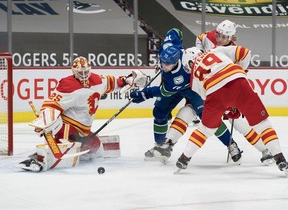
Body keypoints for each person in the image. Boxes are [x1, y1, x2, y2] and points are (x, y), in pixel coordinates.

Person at [18, 56, 147, 172]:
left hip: (84, 131)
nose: (84, 75)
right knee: (68, 152)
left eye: (86, 71)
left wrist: (128, 80)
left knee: (97, 150)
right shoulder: (67, 85)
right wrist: (45, 121)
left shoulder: (97, 80)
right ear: (74, 72)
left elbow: (112, 82)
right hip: (67, 127)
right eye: (80, 72)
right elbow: (51, 104)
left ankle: (75, 152)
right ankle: (40, 160)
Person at [175, 45, 288, 176]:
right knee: (263, 124)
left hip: (214, 90)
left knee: (205, 129)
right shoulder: (215, 50)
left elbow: (209, 98)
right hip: (238, 81)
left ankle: (184, 158)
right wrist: (242, 72)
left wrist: (228, 109)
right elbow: (245, 52)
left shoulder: (193, 79)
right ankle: (280, 158)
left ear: (189, 62)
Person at [130, 45, 242, 164]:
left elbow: (162, 91)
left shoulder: (176, 78)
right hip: (175, 87)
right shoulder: (178, 54)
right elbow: (176, 32)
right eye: (162, 62)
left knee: (208, 117)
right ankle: (160, 146)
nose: (163, 66)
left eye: (167, 64)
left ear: (175, 62)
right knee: (159, 111)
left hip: (192, 88)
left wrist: (144, 94)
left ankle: (231, 144)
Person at [196, 19, 274, 164]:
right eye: (218, 35)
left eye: (224, 37)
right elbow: (200, 39)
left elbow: (239, 74)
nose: (220, 39)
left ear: (231, 38)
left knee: (240, 125)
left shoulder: (234, 51)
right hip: (208, 89)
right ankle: (231, 145)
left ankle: (264, 150)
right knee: (205, 122)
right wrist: (200, 52)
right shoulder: (209, 37)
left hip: (225, 91)